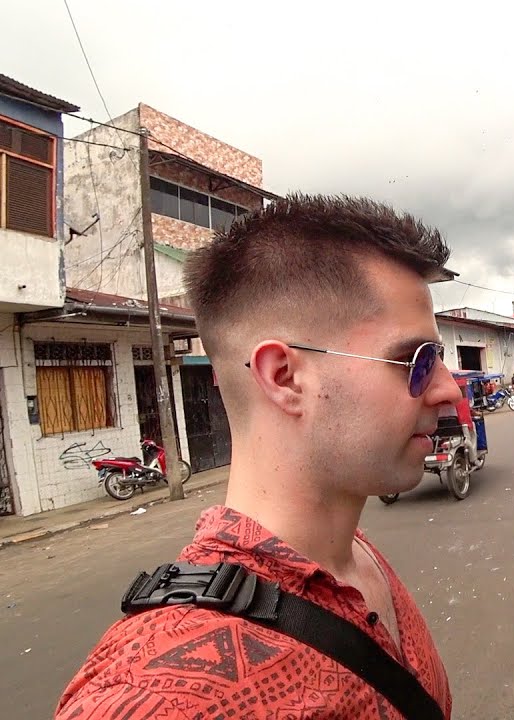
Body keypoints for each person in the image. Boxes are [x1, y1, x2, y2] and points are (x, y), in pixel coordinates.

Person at [56, 195, 461, 718]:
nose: (448, 390)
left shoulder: (357, 558)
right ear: (284, 378)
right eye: (414, 359)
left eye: (440, 358)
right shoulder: (166, 694)